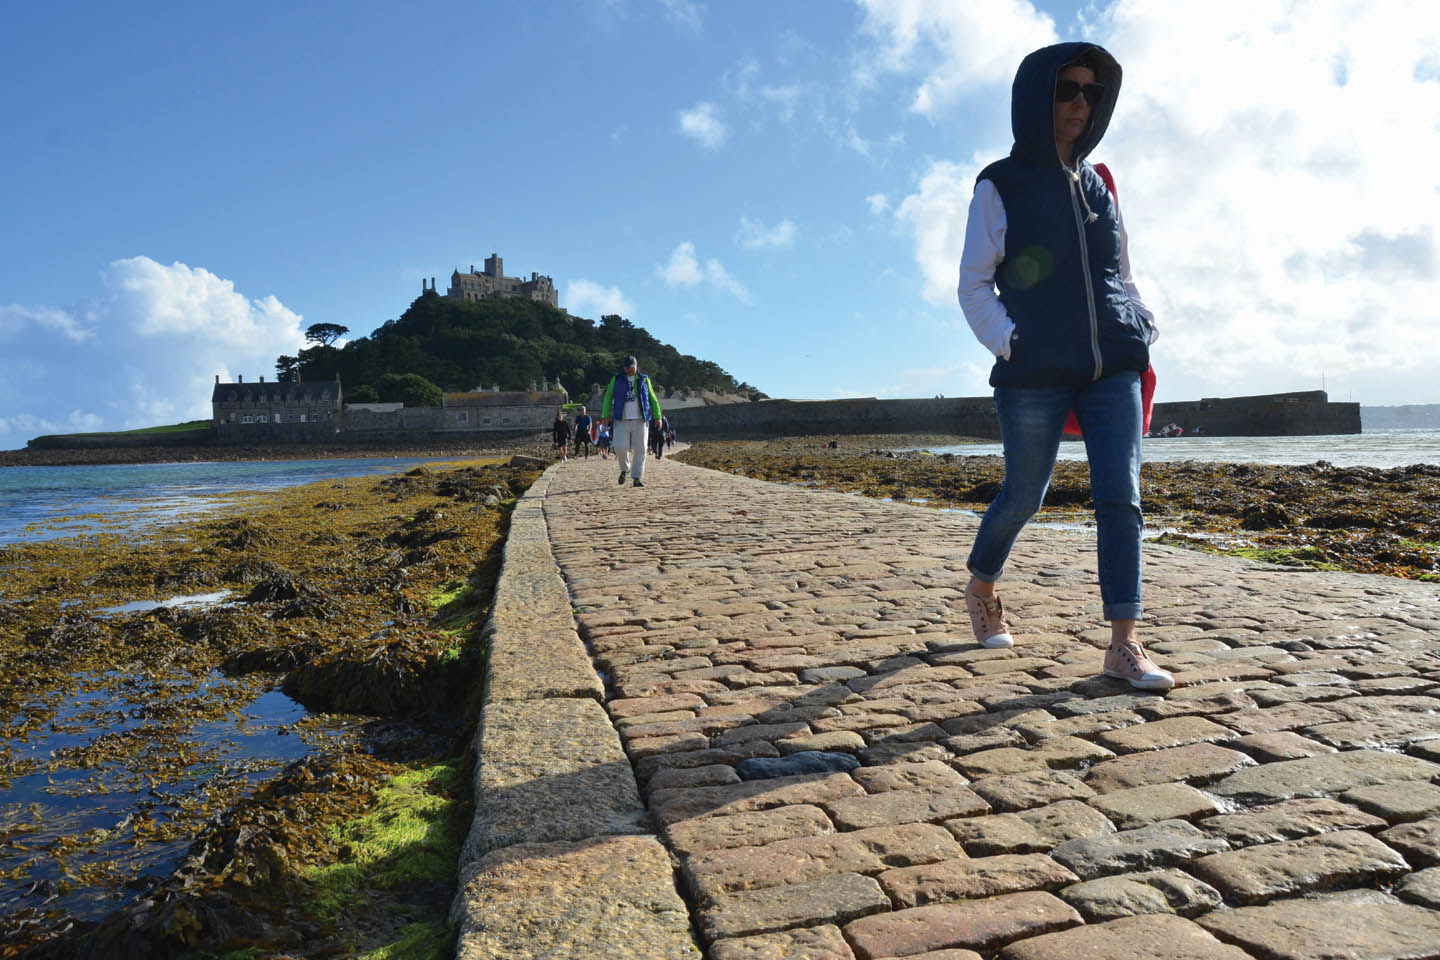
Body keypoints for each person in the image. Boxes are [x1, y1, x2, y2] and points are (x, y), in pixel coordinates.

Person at [955, 42, 1171, 691]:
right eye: (1068, 89)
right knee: (1026, 493)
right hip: (1035, 369)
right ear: (1037, 96)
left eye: (1092, 92)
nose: (1082, 102)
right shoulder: (1002, 182)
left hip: (1115, 363)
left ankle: (1123, 644)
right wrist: (1012, 342)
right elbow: (973, 285)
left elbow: (1121, 273)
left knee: (1120, 498)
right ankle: (983, 585)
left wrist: (1142, 320)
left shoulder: (1101, 183)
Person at [602, 355, 663, 488]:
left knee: (641, 449)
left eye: (632, 367)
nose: (629, 369)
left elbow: (652, 398)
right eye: (627, 367)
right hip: (621, 419)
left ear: (636, 366)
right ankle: (625, 468)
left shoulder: (644, 379)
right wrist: (605, 415)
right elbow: (608, 397)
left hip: (641, 420)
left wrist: (658, 416)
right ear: (624, 367)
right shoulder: (616, 379)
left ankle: (636, 477)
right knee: (619, 447)